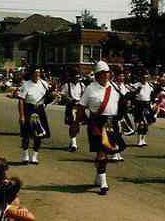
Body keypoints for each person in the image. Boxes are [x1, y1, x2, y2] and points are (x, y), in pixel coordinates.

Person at [76, 61, 123, 196]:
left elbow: (119, 103)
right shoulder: (90, 88)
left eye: (107, 73)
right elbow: (81, 107)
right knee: (101, 151)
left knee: (105, 152)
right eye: (102, 74)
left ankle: (99, 175)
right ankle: (103, 183)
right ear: (96, 75)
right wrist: (76, 123)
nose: (105, 76)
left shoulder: (114, 87)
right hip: (96, 122)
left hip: (111, 122)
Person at [18, 67, 52, 165]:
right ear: (31, 74)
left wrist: (52, 96)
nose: (37, 75)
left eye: (39, 72)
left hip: (40, 109)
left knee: (39, 134)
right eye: (35, 73)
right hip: (28, 109)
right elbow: (21, 100)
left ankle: (34, 156)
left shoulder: (44, 84)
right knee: (26, 135)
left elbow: (47, 96)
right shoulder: (26, 84)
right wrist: (22, 116)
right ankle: (25, 155)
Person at [60, 67, 86, 152]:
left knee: (77, 125)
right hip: (71, 107)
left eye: (78, 76)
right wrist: (70, 100)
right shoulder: (67, 85)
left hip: (79, 107)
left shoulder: (82, 85)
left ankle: (72, 141)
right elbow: (63, 95)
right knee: (72, 124)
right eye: (75, 76)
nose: (77, 78)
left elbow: (85, 95)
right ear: (72, 76)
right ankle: (74, 143)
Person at [131, 69, 156, 147]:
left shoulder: (150, 85)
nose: (145, 78)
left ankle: (143, 139)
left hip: (147, 105)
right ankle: (139, 140)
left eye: (146, 77)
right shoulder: (136, 85)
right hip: (139, 104)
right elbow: (132, 96)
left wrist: (153, 104)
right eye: (143, 77)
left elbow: (152, 96)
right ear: (140, 77)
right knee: (140, 123)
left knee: (146, 123)